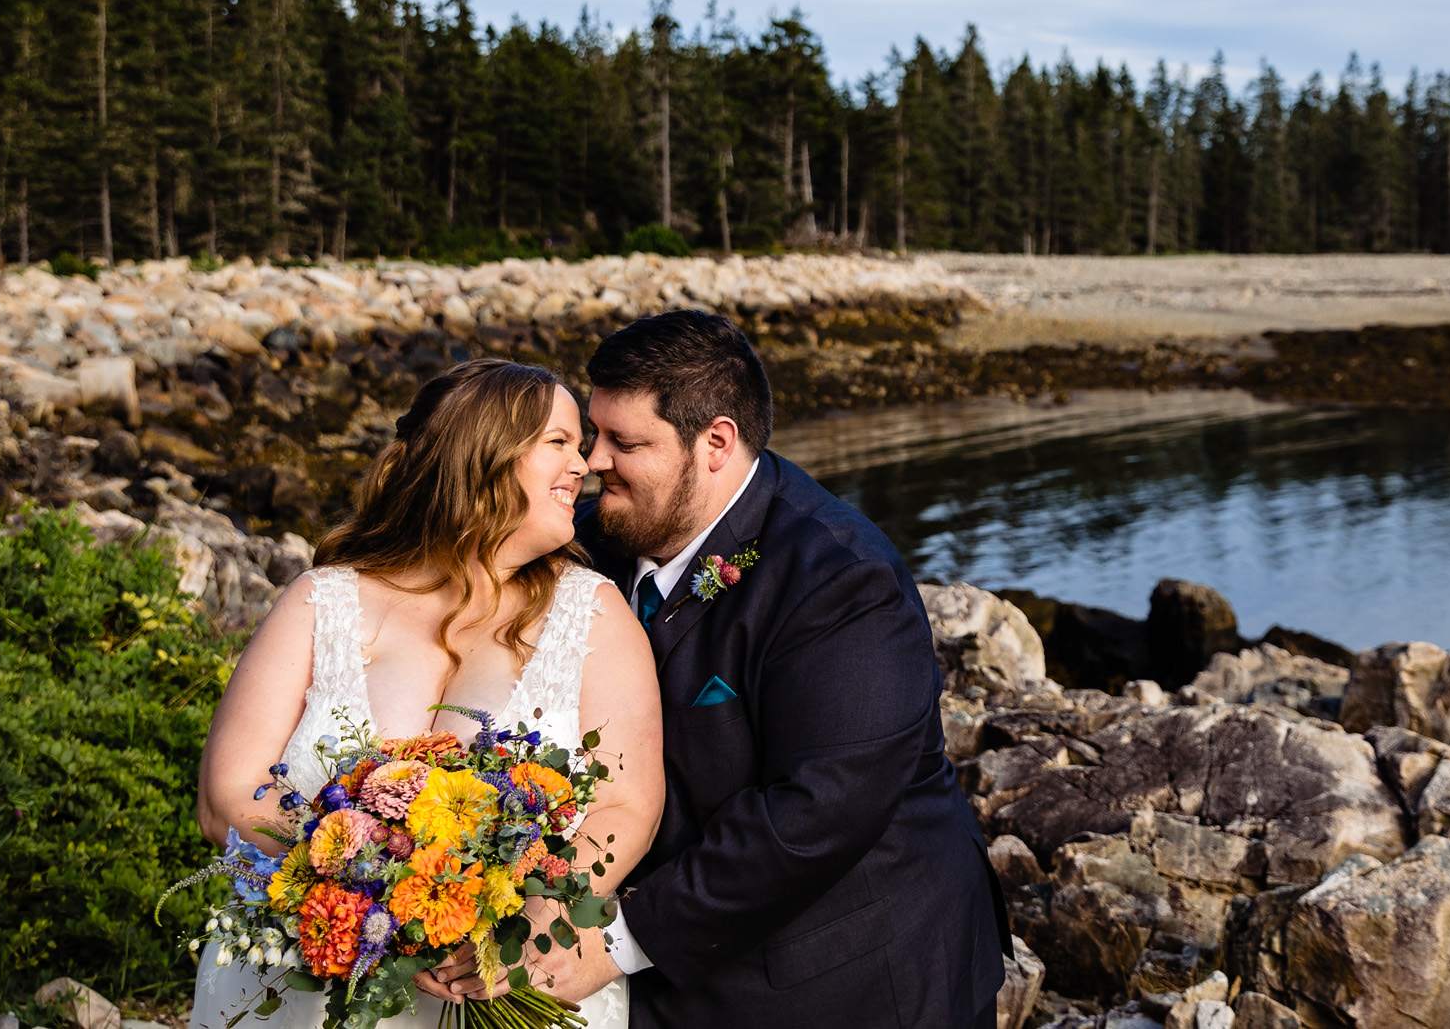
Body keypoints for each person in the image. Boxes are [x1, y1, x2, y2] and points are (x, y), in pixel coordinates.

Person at [190, 358, 665, 1029]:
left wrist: (531, 920)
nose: (585, 464)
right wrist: (367, 870)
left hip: (502, 987)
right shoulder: (321, 601)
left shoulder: (594, 615)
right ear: (484, 456)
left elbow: (627, 804)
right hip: (300, 991)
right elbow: (226, 798)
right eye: (559, 442)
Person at [572, 310, 1009, 1029]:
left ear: (715, 443)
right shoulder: (594, 538)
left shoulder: (839, 577)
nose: (593, 460)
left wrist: (618, 941)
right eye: (594, 434)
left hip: (854, 979)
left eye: (624, 441)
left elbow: (815, 811)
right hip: (676, 976)